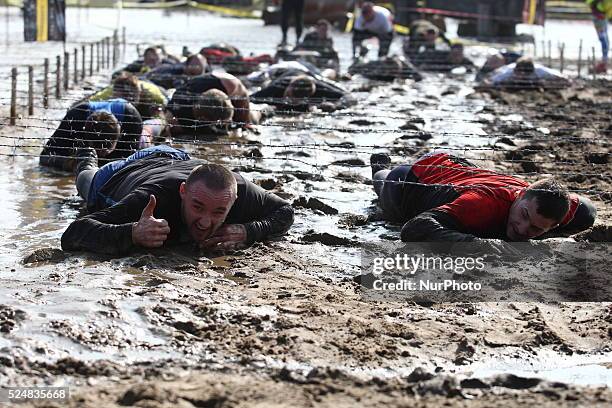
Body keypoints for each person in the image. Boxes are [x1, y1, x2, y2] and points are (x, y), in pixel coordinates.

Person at [62, 145, 294, 255]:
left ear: (234, 200)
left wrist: (249, 230)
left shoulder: (241, 191)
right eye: (197, 207)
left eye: (218, 212)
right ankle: (86, 156)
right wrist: (133, 232)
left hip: (175, 156)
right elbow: (73, 233)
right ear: (183, 192)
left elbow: (285, 211)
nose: (205, 222)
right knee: (86, 181)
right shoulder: (152, 200)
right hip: (122, 173)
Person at [369, 152, 596, 243]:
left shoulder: (551, 205)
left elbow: (588, 210)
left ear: (555, 225)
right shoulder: (483, 205)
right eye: (524, 215)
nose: (523, 228)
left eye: (537, 229)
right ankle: (380, 166)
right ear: (521, 195)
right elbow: (414, 228)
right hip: (413, 179)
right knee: (384, 186)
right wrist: (482, 246)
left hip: (460, 169)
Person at [40, 99, 143, 172]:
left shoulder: (132, 121)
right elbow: (45, 157)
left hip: (126, 118)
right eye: (97, 150)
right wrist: (71, 163)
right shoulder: (75, 118)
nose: (101, 154)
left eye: (105, 151)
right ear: (86, 135)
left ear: (119, 135)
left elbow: (130, 164)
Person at [166, 72, 255, 135]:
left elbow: (243, 94)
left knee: (250, 118)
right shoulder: (178, 115)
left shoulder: (226, 83)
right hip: (191, 119)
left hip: (212, 87)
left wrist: (246, 122)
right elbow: (167, 127)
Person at [250, 72, 348, 111]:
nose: (288, 100)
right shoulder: (277, 87)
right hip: (285, 71)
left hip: (310, 73)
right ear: (288, 87)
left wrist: (333, 105)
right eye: (288, 95)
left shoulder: (318, 89)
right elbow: (250, 99)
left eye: (294, 100)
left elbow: (345, 96)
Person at [89, 72, 168, 120]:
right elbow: (91, 101)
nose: (129, 99)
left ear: (139, 92)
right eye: (124, 95)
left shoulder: (152, 94)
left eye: (132, 95)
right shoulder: (110, 91)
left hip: (158, 89)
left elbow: (165, 104)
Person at [484, 56, 570, 89]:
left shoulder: (539, 70)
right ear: (516, 70)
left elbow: (560, 76)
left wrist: (564, 81)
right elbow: (490, 81)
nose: (522, 75)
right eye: (519, 72)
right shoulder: (507, 71)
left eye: (525, 73)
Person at [145, 54, 211, 90]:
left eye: (201, 64)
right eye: (194, 63)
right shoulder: (179, 77)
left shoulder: (209, 78)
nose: (196, 66)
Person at [348, 56, 422, 82]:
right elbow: (355, 69)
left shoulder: (406, 66)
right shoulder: (377, 67)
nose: (395, 73)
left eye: (396, 70)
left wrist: (410, 81)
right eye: (392, 71)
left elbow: (419, 77)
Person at [586, 0, 611, 73]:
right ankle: (604, 62)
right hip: (599, 16)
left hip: (604, 16)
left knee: (605, 40)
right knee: (603, 39)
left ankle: (604, 62)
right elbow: (591, 3)